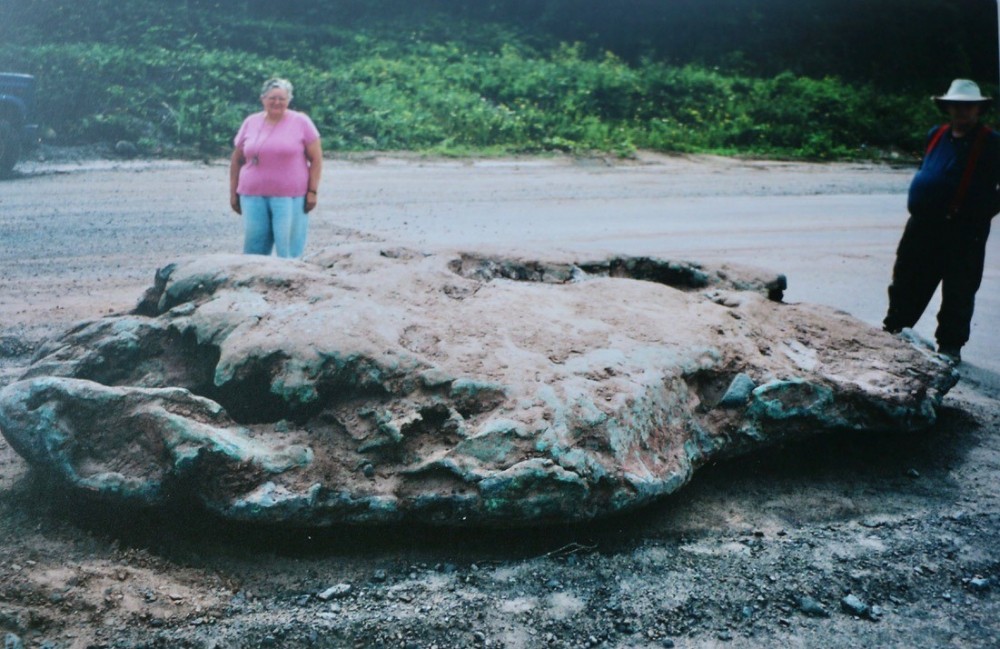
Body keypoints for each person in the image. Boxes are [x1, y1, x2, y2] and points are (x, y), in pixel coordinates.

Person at [883, 79, 1000, 363]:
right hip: (922, 224)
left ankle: (950, 347)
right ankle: (894, 331)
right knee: (907, 279)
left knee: (959, 289)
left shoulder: (991, 142)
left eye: (968, 106)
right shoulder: (936, 134)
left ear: (978, 109)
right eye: (957, 105)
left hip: (964, 230)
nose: (962, 111)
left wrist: (982, 211)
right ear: (948, 107)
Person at [230, 78, 322, 258]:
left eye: (282, 98)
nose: (277, 102)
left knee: (288, 250)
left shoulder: (302, 122)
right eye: (272, 98)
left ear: (289, 100)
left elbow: (317, 159)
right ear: (262, 98)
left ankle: (291, 284)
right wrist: (233, 192)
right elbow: (237, 160)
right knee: (253, 251)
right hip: (252, 194)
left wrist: (312, 191)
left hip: (290, 196)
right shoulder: (251, 122)